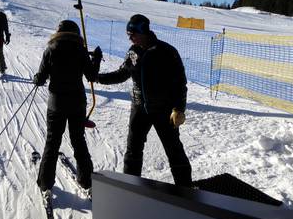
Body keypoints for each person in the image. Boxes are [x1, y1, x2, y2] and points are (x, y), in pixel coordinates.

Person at [95, 14, 192, 187]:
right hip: (139, 109)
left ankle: (185, 190)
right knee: (133, 151)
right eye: (128, 34)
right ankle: (131, 188)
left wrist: (179, 108)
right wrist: (98, 78)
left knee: (174, 150)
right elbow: (122, 74)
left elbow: (180, 83)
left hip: (164, 110)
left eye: (132, 33)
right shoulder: (133, 52)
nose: (129, 38)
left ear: (143, 31)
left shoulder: (167, 52)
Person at [33, 20, 102, 202]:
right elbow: (92, 76)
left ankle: (45, 184)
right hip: (77, 103)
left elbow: (41, 78)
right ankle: (87, 182)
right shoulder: (80, 49)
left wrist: (36, 79)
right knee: (78, 141)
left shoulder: (51, 48)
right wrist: (96, 59)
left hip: (56, 104)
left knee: (52, 142)